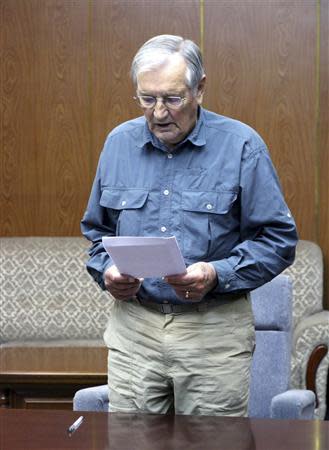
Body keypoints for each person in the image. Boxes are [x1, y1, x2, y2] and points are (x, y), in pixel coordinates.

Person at [81, 34, 298, 417]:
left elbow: (278, 240)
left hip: (212, 333)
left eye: (172, 98)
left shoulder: (242, 145)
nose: (159, 113)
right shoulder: (118, 144)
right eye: (147, 99)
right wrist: (107, 271)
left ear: (200, 89)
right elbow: (97, 234)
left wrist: (217, 273)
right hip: (134, 331)